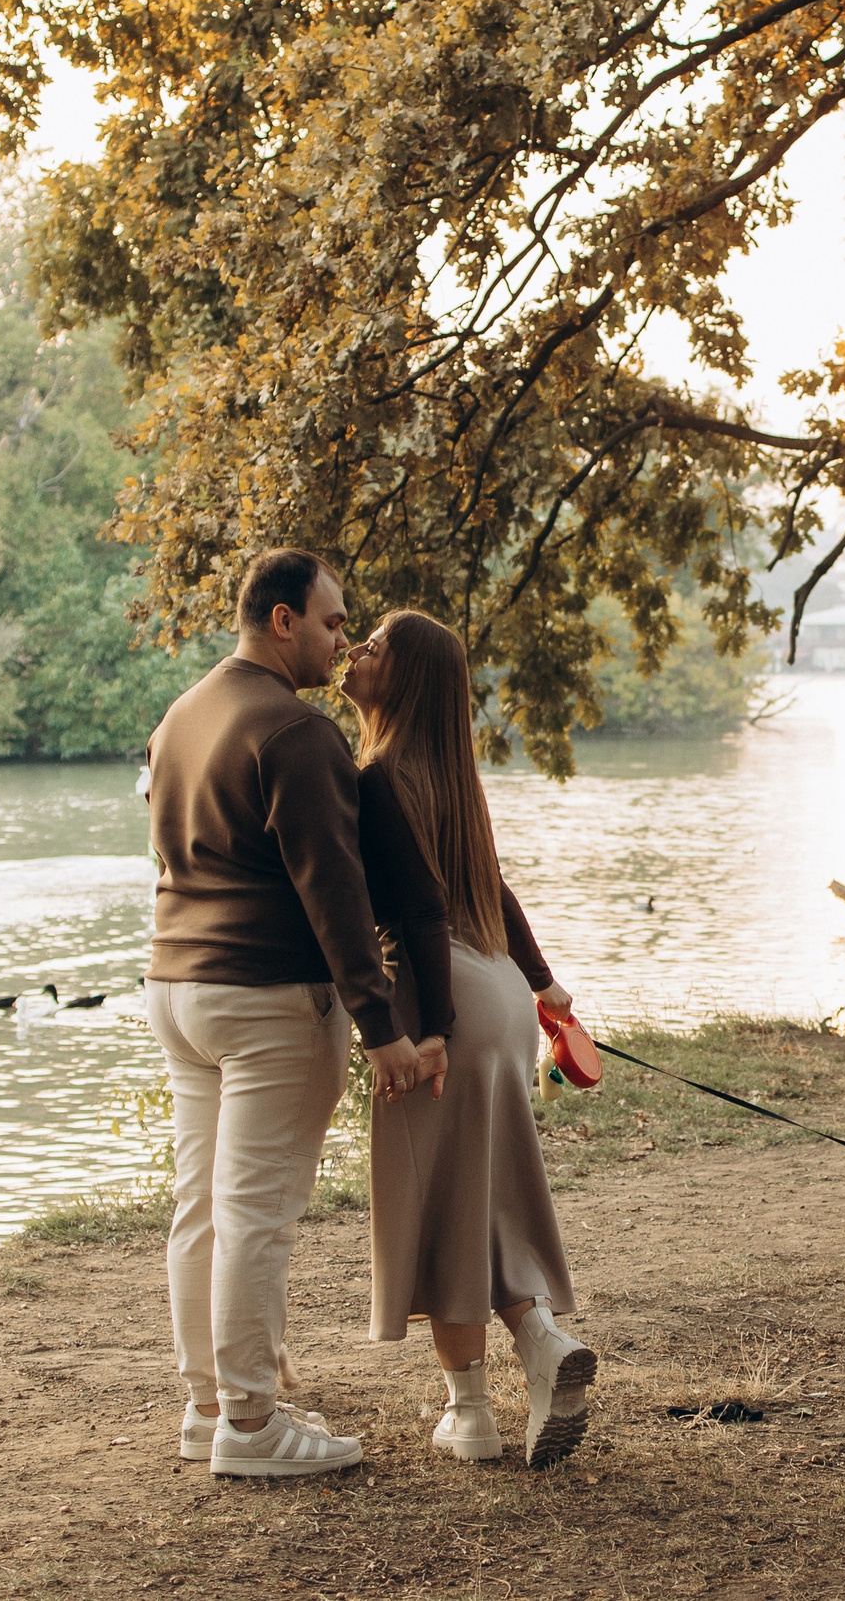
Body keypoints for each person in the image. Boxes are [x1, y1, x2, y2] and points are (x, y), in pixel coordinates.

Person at [143, 549, 435, 1479]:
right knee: (257, 1213)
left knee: (203, 1208)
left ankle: (208, 1405)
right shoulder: (298, 734)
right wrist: (382, 1026)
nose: (342, 639)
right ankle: (253, 1425)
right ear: (282, 621)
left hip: (176, 989)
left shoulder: (180, 716)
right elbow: (334, 892)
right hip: (269, 995)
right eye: (334, 622)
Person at [340, 608, 596, 1470]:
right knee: (477, 1193)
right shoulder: (452, 776)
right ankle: (540, 1341)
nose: (355, 652)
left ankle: (472, 1414)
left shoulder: (377, 777)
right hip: (497, 990)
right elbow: (498, 887)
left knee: (441, 1210)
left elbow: (413, 916)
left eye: (372, 646)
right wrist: (544, 985)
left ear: (402, 678)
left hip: (440, 997)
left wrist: (432, 1029)